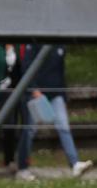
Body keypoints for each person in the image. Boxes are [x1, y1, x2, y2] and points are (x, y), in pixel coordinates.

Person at [15, 44, 92, 180]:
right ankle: (22, 168)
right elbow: (26, 66)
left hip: (56, 94)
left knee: (64, 127)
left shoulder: (60, 46)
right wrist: (33, 89)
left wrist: (63, 95)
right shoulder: (33, 45)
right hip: (36, 94)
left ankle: (74, 163)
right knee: (29, 131)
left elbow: (60, 72)